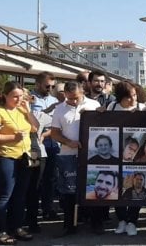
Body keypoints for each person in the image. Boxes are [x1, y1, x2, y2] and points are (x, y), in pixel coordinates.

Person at [0, 81, 40, 245]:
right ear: (5, 96)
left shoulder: (21, 110)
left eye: (20, 96)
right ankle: (1, 230)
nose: (18, 100)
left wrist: (28, 111)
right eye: (14, 97)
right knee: (6, 195)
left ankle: (16, 226)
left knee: (20, 195)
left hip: (23, 157)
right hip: (6, 157)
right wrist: (12, 138)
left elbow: (35, 128)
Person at [51, 81, 101, 236]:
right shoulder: (59, 109)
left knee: (93, 188)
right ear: (64, 94)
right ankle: (69, 225)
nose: (73, 101)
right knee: (69, 192)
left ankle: (96, 223)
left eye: (76, 98)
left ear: (83, 93)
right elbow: (54, 132)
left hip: (91, 155)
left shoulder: (94, 104)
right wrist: (67, 142)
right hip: (68, 155)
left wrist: (100, 113)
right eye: (70, 98)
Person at [28, 72, 60, 225]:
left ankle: (48, 209)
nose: (50, 88)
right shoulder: (29, 99)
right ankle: (31, 213)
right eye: (47, 86)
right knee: (35, 180)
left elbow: (56, 122)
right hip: (36, 144)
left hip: (53, 143)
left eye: (53, 86)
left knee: (50, 178)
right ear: (38, 84)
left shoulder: (54, 99)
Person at [116, 172, 146, 236]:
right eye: (137, 179)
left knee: (135, 203)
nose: (139, 181)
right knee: (118, 201)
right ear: (133, 180)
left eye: (141, 179)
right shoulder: (127, 191)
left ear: (144, 181)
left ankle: (131, 224)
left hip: (136, 207)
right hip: (125, 206)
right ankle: (123, 222)